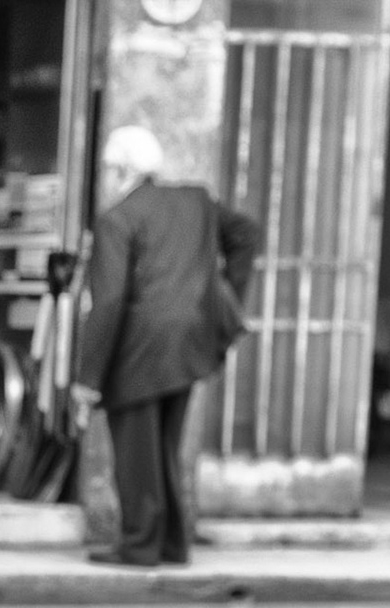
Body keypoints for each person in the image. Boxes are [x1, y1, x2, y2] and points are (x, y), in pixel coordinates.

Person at [73, 125, 261, 567]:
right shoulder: (195, 200)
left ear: (120, 169)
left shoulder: (116, 219)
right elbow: (247, 234)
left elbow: (109, 301)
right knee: (164, 445)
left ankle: (140, 545)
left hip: (141, 346)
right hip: (190, 341)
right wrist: (223, 295)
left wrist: (87, 379)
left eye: (107, 168)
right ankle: (172, 542)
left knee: (137, 451)